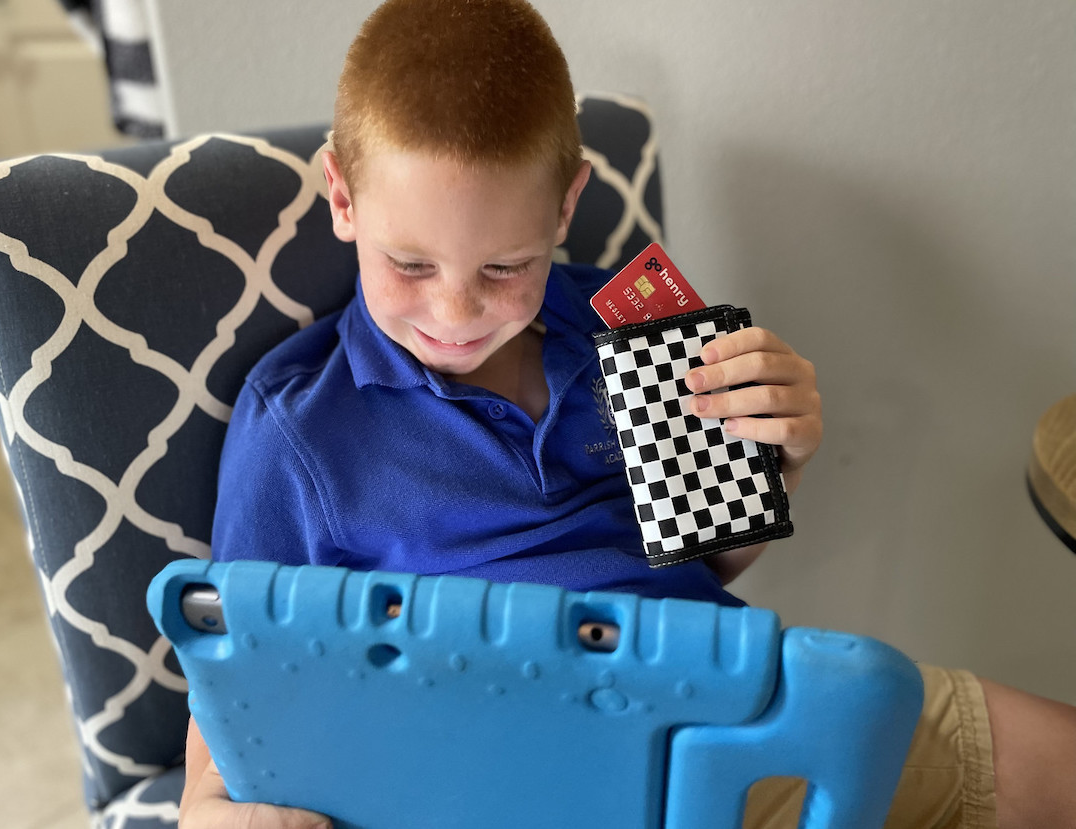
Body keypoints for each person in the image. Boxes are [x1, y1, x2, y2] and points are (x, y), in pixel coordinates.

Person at [179, 1, 1076, 827]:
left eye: (503, 268)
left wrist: (778, 467)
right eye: (410, 265)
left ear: (566, 204)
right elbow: (236, 673)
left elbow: (710, 568)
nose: (455, 314)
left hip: (726, 711)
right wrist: (206, 803)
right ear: (343, 199)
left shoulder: (635, 321)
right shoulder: (299, 423)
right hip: (516, 777)